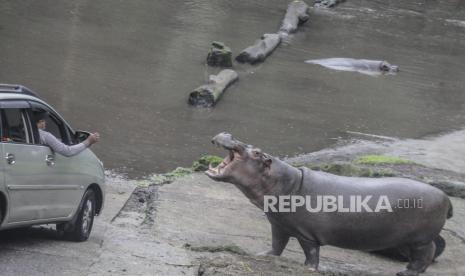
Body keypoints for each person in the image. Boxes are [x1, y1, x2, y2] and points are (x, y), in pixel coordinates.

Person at [34, 110, 100, 157]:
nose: (45, 123)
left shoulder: (25, 132)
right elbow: (68, 151)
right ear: (40, 121)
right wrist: (88, 141)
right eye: (43, 120)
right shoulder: (45, 136)